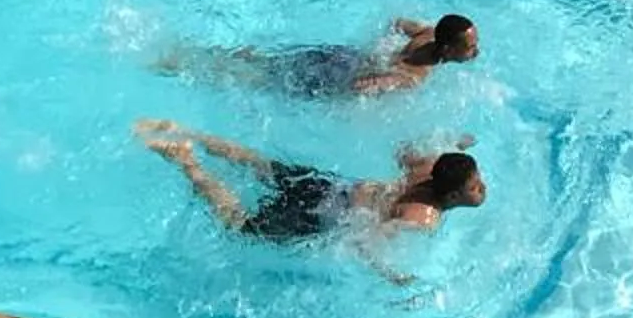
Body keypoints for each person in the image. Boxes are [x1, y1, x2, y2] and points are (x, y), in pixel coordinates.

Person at [136, 118, 483, 283]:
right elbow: (364, 244)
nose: (482, 188)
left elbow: (404, 150)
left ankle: (188, 131)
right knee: (238, 225)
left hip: (330, 185)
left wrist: (455, 140)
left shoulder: (428, 167)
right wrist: (394, 275)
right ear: (452, 195)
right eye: (474, 187)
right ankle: (186, 161)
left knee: (262, 165)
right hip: (319, 214)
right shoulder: (422, 217)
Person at [158, 14, 480, 100]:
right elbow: (362, 87)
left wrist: (378, 50)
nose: (476, 50)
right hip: (333, 78)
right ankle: (179, 65)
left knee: (268, 62)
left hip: (341, 55)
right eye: (470, 47)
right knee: (257, 80)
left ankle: (192, 50)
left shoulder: (426, 31)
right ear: (449, 49)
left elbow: (397, 22)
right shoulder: (413, 77)